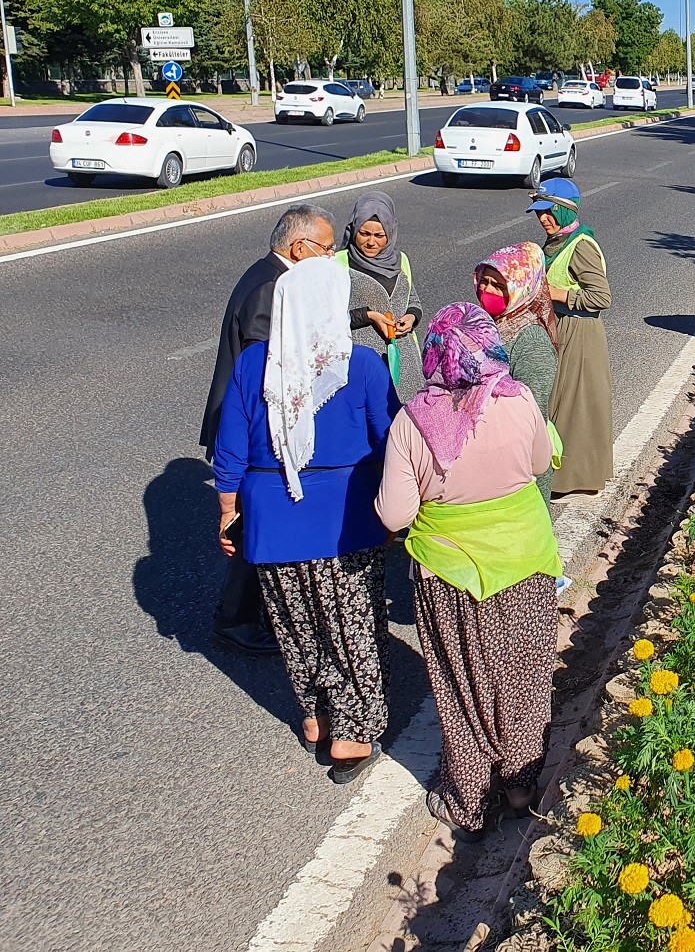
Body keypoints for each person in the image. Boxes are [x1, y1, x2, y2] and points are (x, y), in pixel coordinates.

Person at [212, 256, 399, 784]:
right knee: (352, 627)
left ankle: (316, 717)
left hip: (273, 519)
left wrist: (227, 513)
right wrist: (396, 513)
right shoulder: (361, 365)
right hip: (346, 517)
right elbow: (391, 442)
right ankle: (352, 732)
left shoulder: (255, 364)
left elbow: (230, 448)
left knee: (296, 626)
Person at [376, 303, 561, 839]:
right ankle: (522, 785)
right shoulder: (518, 399)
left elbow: (395, 514)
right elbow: (540, 464)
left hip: (449, 573)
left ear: (436, 355)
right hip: (524, 559)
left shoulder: (413, 421)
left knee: (462, 686)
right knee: (524, 675)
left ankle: (472, 800)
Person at [200, 203, 339, 656]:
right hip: (252, 428)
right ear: (299, 248)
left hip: (250, 425)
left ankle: (248, 613)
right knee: (251, 525)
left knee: (257, 521)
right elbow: (270, 369)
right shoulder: (272, 288)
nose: (332, 257)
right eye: (327, 248)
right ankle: (235, 621)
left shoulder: (270, 275)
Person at [528, 179, 613, 496]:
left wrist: (555, 294)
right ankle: (559, 474)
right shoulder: (556, 242)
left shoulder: (581, 246)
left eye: (549, 212)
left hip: (579, 332)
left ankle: (576, 479)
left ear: (565, 211)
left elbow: (601, 297)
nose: (543, 219)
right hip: (559, 327)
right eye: (539, 213)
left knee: (575, 405)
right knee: (559, 402)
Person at [475, 242, 562, 502]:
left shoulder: (531, 341)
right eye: (484, 281)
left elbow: (531, 413)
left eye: (498, 285)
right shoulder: (486, 324)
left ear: (521, 288)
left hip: (517, 459)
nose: (487, 290)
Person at [339, 192, 425, 400]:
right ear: (354, 230)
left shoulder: (400, 260)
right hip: (362, 363)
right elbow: (326, 318)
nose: (371, 242)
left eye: (379, 235)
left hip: (405, 365)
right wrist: (368, 316)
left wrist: (411, 318)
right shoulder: (338, 263)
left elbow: (412, 300)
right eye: (364, 233)